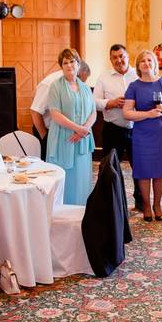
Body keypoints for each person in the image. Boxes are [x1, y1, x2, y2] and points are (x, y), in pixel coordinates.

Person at [122, 50, 162, 221]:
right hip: (142, 134)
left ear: (154, 63)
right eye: (142, 61)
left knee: (160, 171)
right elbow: (126, 113)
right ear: (138, 66)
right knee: (144, 171)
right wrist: (147, 114)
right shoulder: (134, 86)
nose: (146, 63)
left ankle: (158, 204)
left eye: (149, 60)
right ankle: (147, 205)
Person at [94, 43, 143, 211]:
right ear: (110, 59)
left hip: (138, 129)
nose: (119, 60)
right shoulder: (103, 77)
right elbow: (94, 102)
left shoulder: (138, 75)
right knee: (110, 167)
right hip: (113, 129)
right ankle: (111, 204)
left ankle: (140, 201)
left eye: (121, 56)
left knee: (140, 167)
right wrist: (111, 103)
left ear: (128, 56)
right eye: (115, 57)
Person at [46, 48, 96, 205]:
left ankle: (81, 213)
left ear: (78, 63)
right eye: (65, 62)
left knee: (81, 178)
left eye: (72, 61)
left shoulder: (86, 87)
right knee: (64, 178)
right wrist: (78, 128)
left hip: (82, 139)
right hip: (63, 138)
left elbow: (93, 112)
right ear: (61, 66)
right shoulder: (55, 86)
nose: (69, 65)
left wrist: (84, 130)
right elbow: (55, 114)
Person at [31, 57, 90, 160]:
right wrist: (45, 137)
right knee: (49, 167)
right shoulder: (51, 83)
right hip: (47, 131)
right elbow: (35, 111)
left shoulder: (72, 83)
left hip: (64, 131)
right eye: (81, 81)